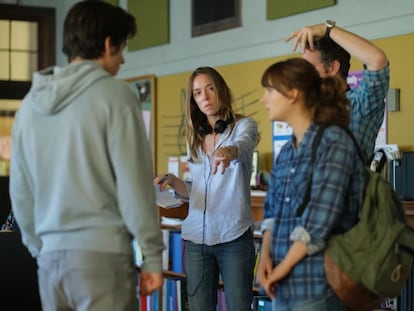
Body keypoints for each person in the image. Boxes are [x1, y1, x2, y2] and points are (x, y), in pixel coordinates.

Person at [9, 1, 164, 311]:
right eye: (121, 48)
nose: (122, 59)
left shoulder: (29, 106)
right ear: (107, 44)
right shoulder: (116, 96)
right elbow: (135, 187)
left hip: (50, 263)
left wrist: (42, 248)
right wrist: (152, 256)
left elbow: (21, 193)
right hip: (102, 259)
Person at [257, 58, 365, 311]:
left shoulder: (334, 140)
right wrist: (265, 259)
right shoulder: (286, 151)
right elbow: (272, 212)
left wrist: (279, 270)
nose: (264, 99)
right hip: (282, 285)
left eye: (270, 91)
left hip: (319, 286)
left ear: (293, 94)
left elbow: (318, 222)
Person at [154, 66, 258, 311]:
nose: (205, 97)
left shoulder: (244, 126)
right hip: (197, 241)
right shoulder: (195, 139)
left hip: (233, 237)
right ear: (194, 100)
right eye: (198, 93)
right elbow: (198, 190)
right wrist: (172, 180)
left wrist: (228, 151)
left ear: (220, 90)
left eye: (210, 89)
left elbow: (242, 146)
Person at [286, 20, 389, 162]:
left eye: (308, 68)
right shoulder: (309, 110)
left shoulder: (359, 103)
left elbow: (377, 61)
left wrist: (327, 29)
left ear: (333, 68)